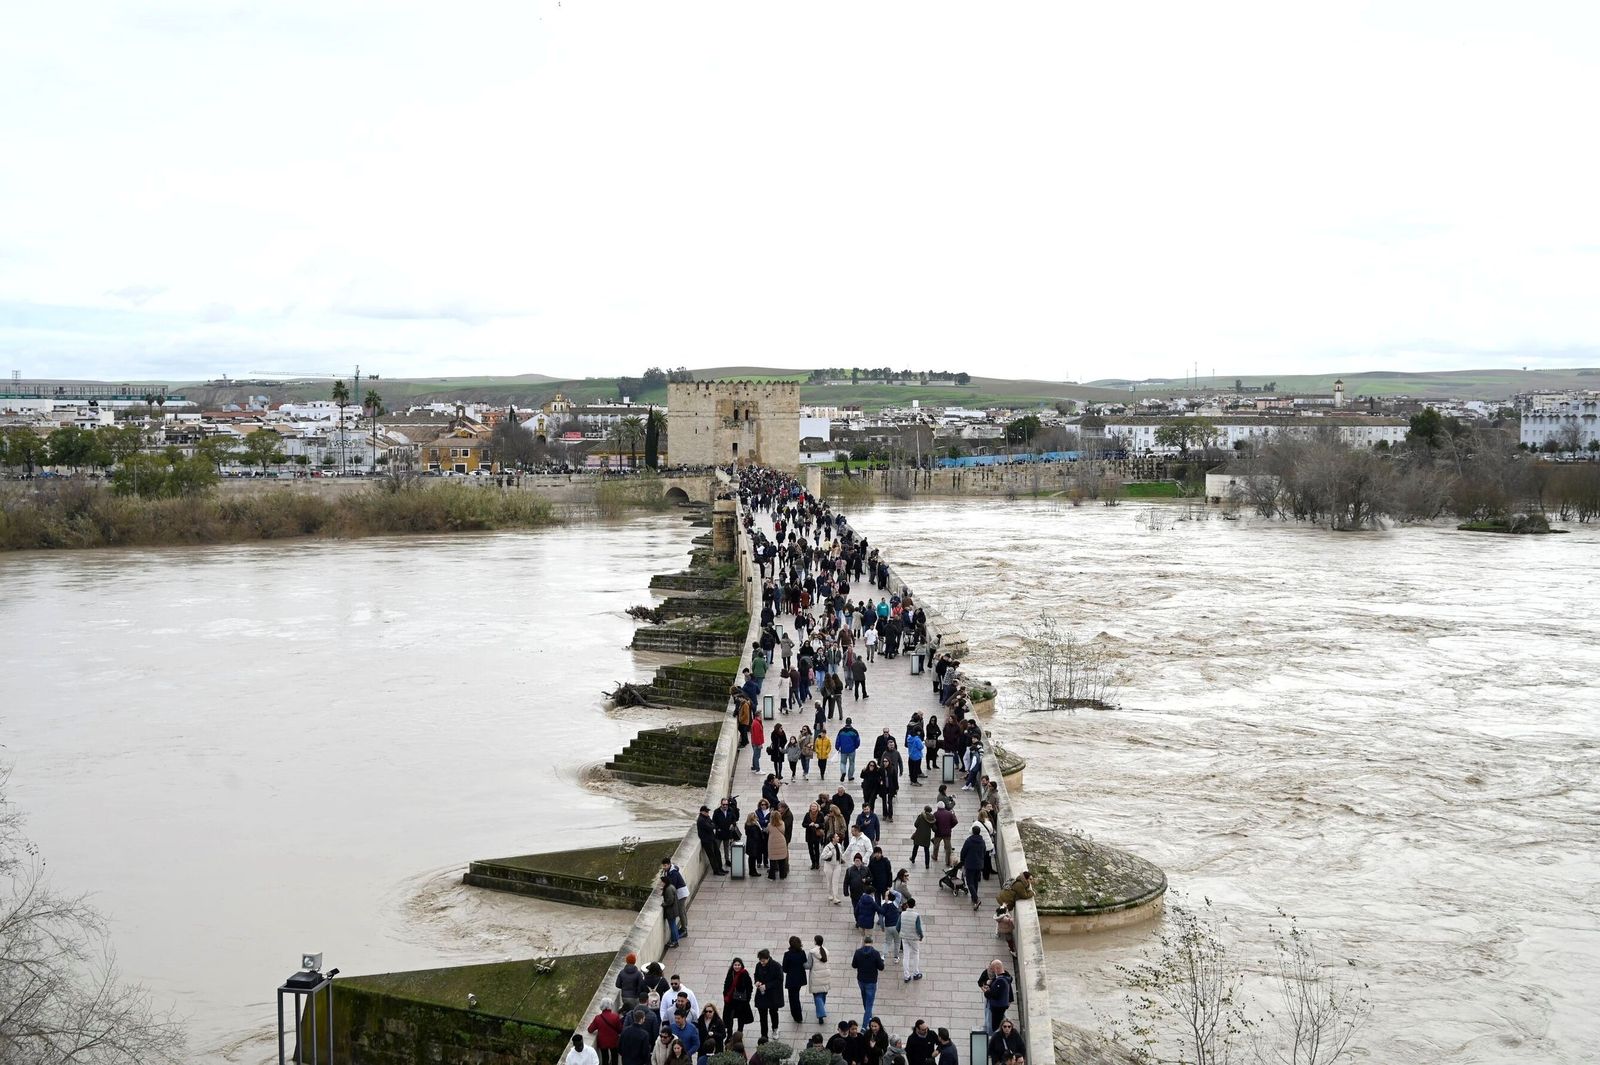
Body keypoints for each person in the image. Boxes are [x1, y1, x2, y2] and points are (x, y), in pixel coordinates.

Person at [850, 934, 884, 1026]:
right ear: (872, 943)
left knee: (865, 999)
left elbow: (854, 965)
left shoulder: (858, 952)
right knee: (869, 1004)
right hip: (871, 982)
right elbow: (881, 967)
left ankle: (868, 1016)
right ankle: (865, 1026)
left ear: (864, 942)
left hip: (861, 980)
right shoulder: (875, 953)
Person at [752, 948, 783, 1040]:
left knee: (773, 1013)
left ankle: (775, 1029)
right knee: (762, 1016)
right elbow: (756, 975)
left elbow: (779, 980)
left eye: (763, 961)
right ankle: (764, 1034)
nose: (762, 963)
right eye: (760, 961)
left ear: (768, 958)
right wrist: (757, 982)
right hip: (762, 994)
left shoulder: (776, 966)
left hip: (773, 995)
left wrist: (767, 986)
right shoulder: (758, 965)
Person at [978, 960, 1013, 1034]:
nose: (992, 970)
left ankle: (994, 1034)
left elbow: (994, 994)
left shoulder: (1001, 980)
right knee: (995, 1020)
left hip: (997, 1007)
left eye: (992, 968)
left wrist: (987, 992)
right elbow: (980, 982)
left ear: (997, 968)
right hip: (998, 1005)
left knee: (995, 1024)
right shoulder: (1003, 978)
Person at [721, 959, 754, 1035]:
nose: (737, 967)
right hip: (731, 1001)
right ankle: (729, 1035)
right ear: (733, 966)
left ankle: (739, 1034)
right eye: (735, 965)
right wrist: (725, 995)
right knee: (729, 1018)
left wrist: (747, 999)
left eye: (738, 965)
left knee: (741, 1018)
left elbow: (750, 987)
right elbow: (726, 985)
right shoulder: (730, 973)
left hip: (741, 1001)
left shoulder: (745, 974)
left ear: (741, 965)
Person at [782, 935, 809, 1024]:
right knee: (796, 996)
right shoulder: (802, 953)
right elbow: (804, 963)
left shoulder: (787, 954)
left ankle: (797, 1016)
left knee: (793, 998)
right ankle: (797, 1015)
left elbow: (784, 968)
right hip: (800, 978)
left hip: (791, 979)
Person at [588, 999, 624, 1065]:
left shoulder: (598, 1018)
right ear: (610, 1006)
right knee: (614, 1057)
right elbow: (620, 1030)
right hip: (613, 1041)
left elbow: (590, 1030)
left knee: (605, 1058)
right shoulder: (615, 1017)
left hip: (602, 1042)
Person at [961, 825, 988, 910]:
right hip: (979, 865)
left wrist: (962, 860)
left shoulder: (969, 841)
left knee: (969, 882)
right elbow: (984, 851)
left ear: (972, 832)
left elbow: (963, 851)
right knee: (975, 881)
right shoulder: (982, 841)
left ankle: (976, 898)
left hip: (970, 864)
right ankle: (974, 897)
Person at [806, 936, 832, 1024]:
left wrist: (802, 964)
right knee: (823, 993)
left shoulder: (812, 952)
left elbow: (808, 965)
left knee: (817, 995)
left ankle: (821, 1014)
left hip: (816, 976)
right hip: (825, 975)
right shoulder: (826, 951)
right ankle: (821, 1009)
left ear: (815, 941)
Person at [900, 898, 925, 982]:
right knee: (915, 953)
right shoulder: (916, 915)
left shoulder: (902, 914)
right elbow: (918, 928)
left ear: (907, 904)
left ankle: (906, 976)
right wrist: (921, 936)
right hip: (914, 938)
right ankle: (916, 973)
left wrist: (902, 933)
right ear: (914, 905)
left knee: (906, 956)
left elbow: (897, 927)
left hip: (904, 938)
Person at [822, 831, 848, 904]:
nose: (838, 838)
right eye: (836, 837)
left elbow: (840, 854)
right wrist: (830, 854)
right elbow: (823, 856)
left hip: (837, 865)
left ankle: (835, 897)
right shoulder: (828, 847)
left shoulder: (839, 845)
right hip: (829, 865)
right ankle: (830, 894)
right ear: (833, 839)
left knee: (835, 881)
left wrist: (842, 859)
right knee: (829, 881)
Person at [766, 808, 790, 880]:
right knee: (782, 860)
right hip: (781, 843)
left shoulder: (770, 825)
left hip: (772, 844)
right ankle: (783, 875)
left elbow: (768, 832)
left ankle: (772, 876)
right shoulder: (782, 823)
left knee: (773, 861)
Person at [661, 876, 684, 948]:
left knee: (673, 926)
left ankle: (674, 942)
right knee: (673, 925)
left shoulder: (668, 889)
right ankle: (675, 940)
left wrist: (664, 904)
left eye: (662, 882)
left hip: (671, 911)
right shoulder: (670, 887)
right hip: (673, 910)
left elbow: (670, 901)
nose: (661, 883)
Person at [932, 802, 958, 866]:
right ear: (944, 807)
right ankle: (947, 861)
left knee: (936, 845)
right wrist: (950, 827)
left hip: (938, 833)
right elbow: (955, 821)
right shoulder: (949, 814)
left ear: (938, 807)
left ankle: (935, 856)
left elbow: (933, 823)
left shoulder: (935, 814)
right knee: (948, 847)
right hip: (947, 833)